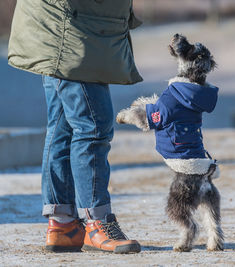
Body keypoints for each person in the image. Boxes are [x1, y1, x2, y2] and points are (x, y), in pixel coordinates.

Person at [8, 0, 143, 254]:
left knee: (63, 126)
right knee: (93, 124)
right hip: (71, 29)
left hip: (71, 25)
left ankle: (63, 224)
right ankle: (97, 221)